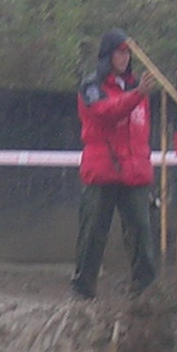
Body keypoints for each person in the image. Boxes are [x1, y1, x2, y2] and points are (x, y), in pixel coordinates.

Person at [72, 30, 158, 299]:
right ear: (107, 55)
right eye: (120, 52)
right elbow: (105, 113)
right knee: (93, 233)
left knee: (141, 231)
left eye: (128, 52)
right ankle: (83, 290)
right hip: (102, 170)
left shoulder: (137, 88)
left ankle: (144, 290)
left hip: (134, 172)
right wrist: (137, 95)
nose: (125, 57)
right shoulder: (91, 87)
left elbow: (141, 129)